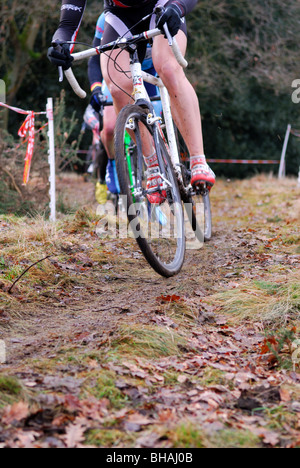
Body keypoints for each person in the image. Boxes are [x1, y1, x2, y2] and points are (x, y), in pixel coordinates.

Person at [48, 0, 215, 204]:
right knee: (116, 85)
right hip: (120, 17)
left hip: (162, 5)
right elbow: (67, 26)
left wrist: (178, 7)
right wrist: (60, 43)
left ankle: (199, 160)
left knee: (168, 68)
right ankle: (153, 165)